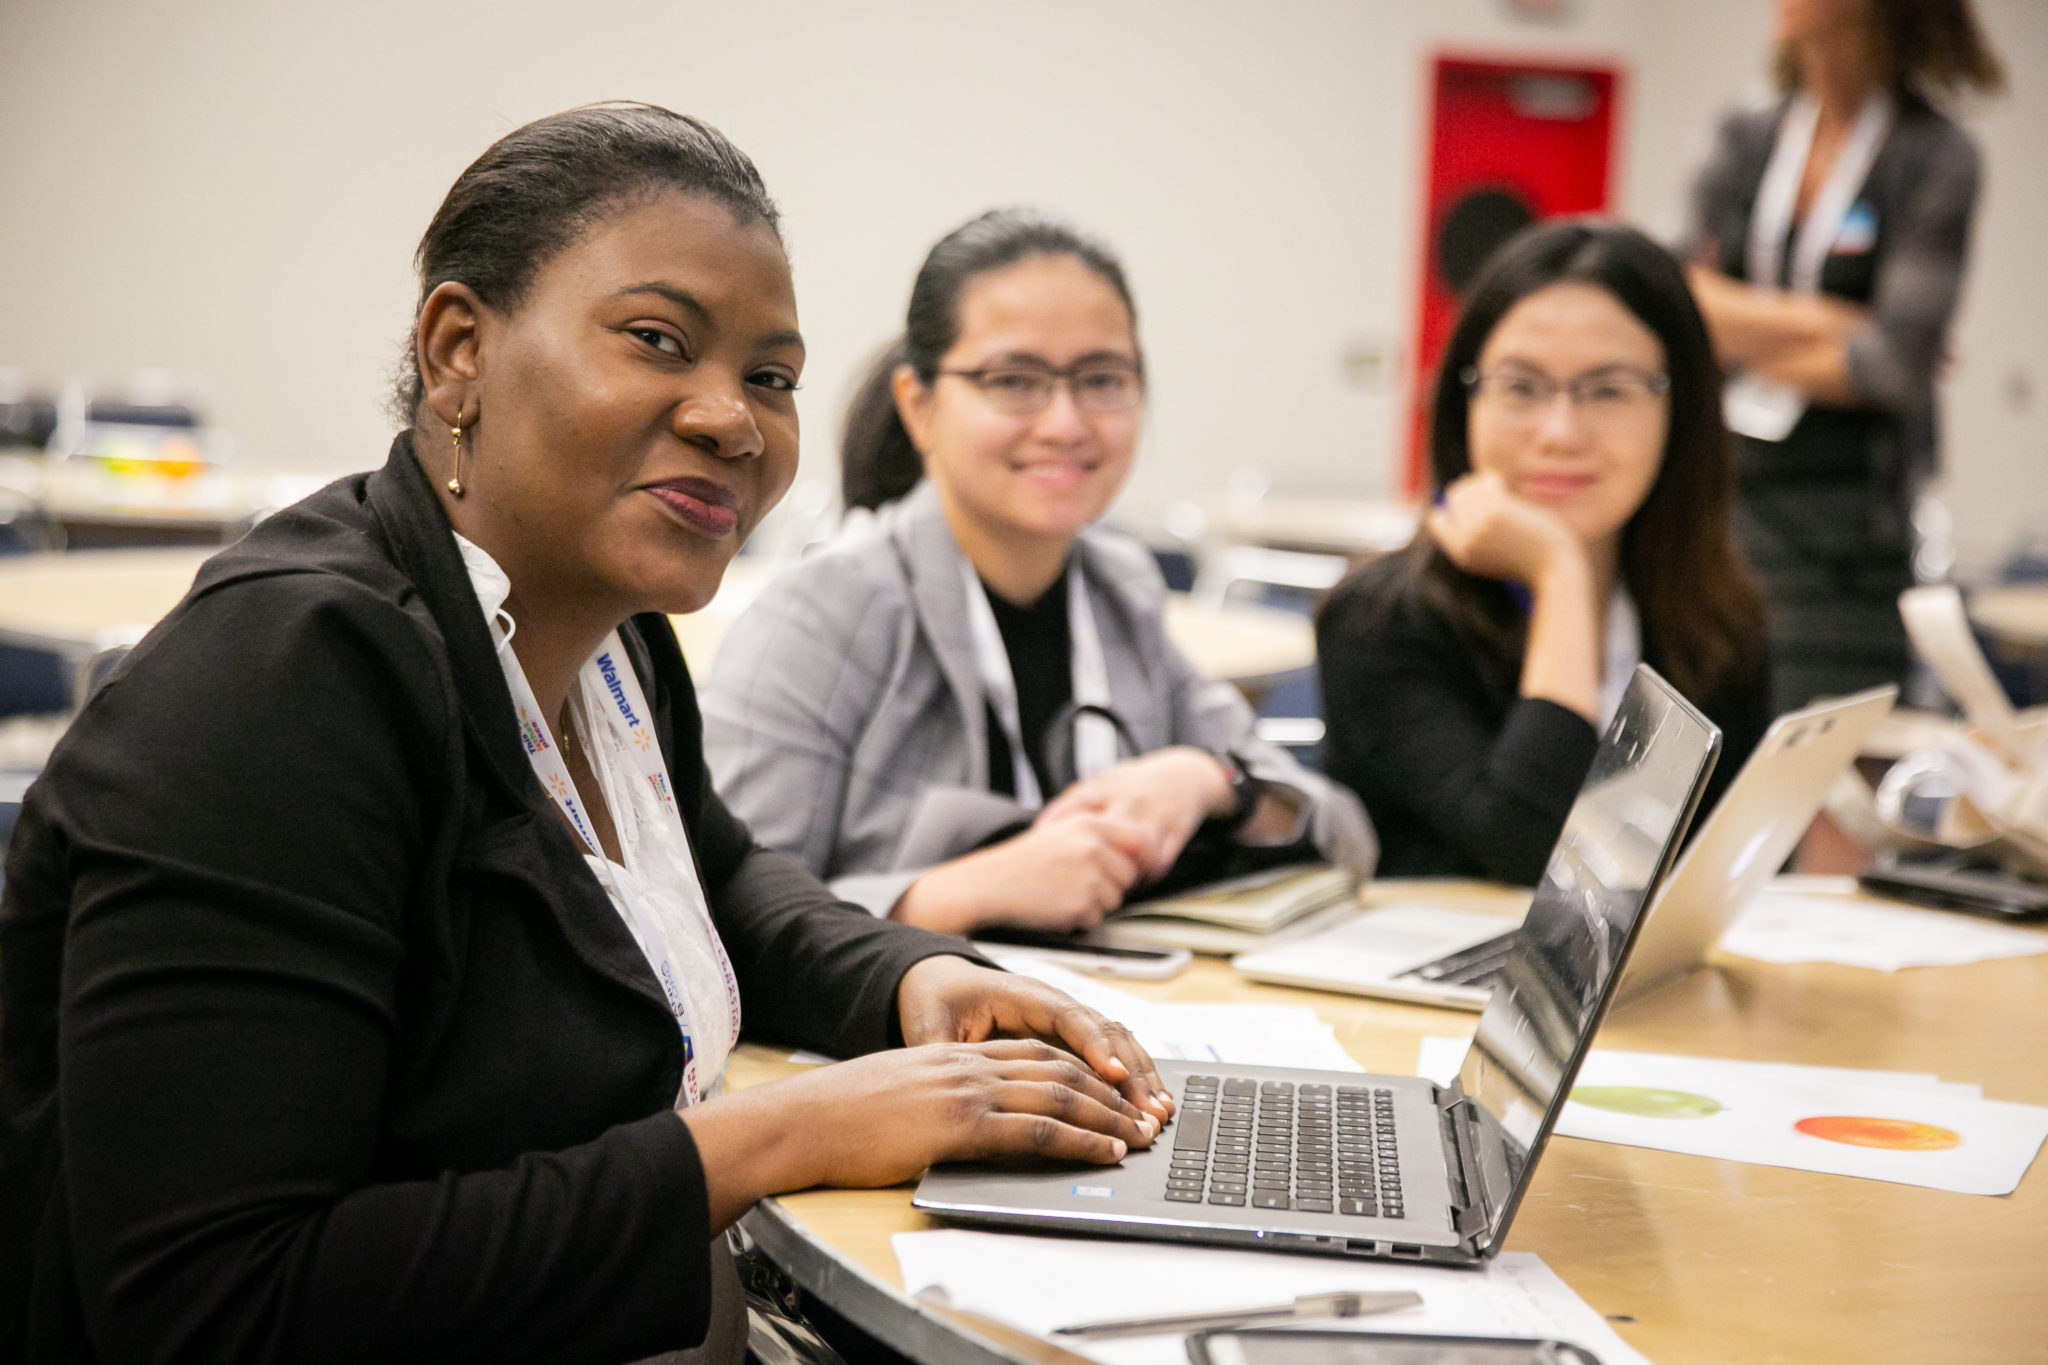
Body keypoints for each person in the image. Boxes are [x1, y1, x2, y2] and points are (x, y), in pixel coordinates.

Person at [0, 105, 1175, 1365]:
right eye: (657, 342)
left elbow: (717, 879)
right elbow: (213, 1305)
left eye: (770, 378)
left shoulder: (606, 632)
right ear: (458, 351)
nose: (733, 419)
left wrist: (909, 979)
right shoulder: (285, 682)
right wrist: (780, 1137)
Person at [701, 209, 1374, 934]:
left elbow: (1347, 837)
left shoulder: (1119, 592)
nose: (1066, 422)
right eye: (1015, 379)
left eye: (1101, 378)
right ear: (920, 406)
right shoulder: (825, 615)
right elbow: (719, 917)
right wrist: (949, 896)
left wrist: (1216, 782)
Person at [1317, 220, 1771, 886]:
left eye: (1609, 390)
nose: (1559, 432)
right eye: (1521, 388)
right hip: (1418, 984)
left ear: (1682, 410)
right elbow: (1533, 858)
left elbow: (1736, 867)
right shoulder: (1379, 620)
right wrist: (1559, 574)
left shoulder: (1716, 619)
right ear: (1464, 400)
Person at [1684, 0, 2003, 712]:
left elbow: (1892, 368)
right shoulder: (1744, 137)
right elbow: (1682, 305)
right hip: (1727, 497)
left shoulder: (1936, 155)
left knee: (1819, 766)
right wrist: (1842, 323)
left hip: (1851, 533)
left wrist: (1737, 332)